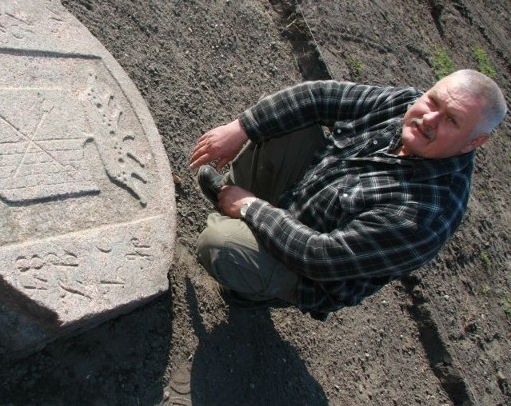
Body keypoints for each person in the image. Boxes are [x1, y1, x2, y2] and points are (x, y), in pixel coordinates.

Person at [189, 69, 506, 320]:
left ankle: (254, 287)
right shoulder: (405, 105)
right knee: (282, 116)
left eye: (451, 120)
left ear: (473, 142)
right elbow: (318, 96)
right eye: (434, 101)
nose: (429, 119)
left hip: (309, 268)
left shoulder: (425, 215)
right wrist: (242, 127)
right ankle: (235, 205)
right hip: (306, 196)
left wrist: (249, 207)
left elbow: (321, 257)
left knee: (220, 244)